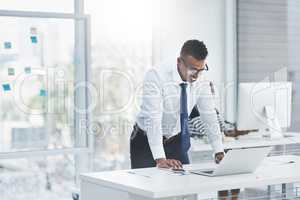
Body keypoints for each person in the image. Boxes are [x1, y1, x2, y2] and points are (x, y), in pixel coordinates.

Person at [130, 39, 224, 170]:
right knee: (148, 186)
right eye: (193, 70)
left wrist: (219, 150)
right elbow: (153, 118)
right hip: (146, 141)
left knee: (184, 185)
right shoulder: (156, 75)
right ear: (179, 62)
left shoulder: (201, 78)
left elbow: (209, 114)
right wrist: (160, 158)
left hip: (176, 140)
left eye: (201, 69)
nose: (196, 76)